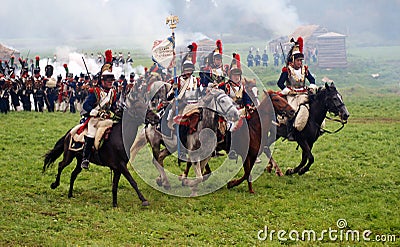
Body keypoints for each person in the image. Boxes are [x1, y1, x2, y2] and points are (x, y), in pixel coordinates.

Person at [80, 50, 118, 170]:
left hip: (107, 118)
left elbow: (113, 106)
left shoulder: (113, 93)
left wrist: (119, 111)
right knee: (91, 134)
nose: (110, 83)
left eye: (111, 81)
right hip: (95, 119)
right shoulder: (95, 92)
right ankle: (85, 158)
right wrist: (93, 111)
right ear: (102, 81)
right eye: (108, 80)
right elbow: (86, 105)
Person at [277, 37, 317, 140]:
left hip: (303, 93)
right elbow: (280, 83)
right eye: (298, 60)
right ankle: (291, 132)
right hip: (292, 95)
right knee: (292, 111)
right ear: (293, 60)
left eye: (301, 60)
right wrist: (288, 90)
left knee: (312, 107)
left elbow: (312, 80)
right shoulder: (287, 70)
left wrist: (311, 87)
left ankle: (315, 129)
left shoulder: (305, 69)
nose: (300, 62)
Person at [165, 42, 200, 132]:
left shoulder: (196, 80)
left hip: (194, 104)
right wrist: (173, 89)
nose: (188, 71)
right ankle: (167, 131)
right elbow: (168, 96)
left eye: (190, 69)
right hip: (180, 104)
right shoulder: (177, 80)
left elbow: (200, 93)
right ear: (183, 70)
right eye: (186, 69)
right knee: (169, 113)